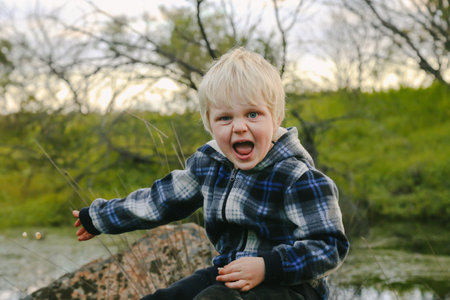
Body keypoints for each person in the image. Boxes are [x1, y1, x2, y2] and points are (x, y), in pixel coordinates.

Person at [73, 47, 349, 300]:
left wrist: (267, 266)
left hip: (292, 285)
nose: (239, 127)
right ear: (210, 124)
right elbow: (161, 200)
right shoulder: (210, 164)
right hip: (229, 273)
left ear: (275, 119)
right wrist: (99, 218)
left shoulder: (298, 177)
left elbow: (329, 247)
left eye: (253, 114)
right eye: (225, 118)